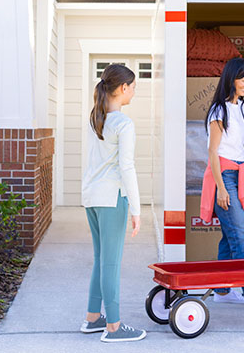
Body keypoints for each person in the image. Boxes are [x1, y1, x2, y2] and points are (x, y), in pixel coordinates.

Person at [79, 64, 146, 342]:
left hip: (92, 197)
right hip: (111, 198)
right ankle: (114, 327)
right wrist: (136, 208)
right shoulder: (123, 123)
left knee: (101, 259)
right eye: (132, 87)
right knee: (111, 263)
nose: (134, 92)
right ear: (122, 88)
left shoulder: (95, 118)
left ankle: (93, 318)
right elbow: (126, 167)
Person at [201, 57, 244, 309]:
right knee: (242, 235)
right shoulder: (219, 110)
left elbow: (241, 148)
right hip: (223, 176)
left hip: (240, 173)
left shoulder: (242, 109)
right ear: (231, 79)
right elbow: (213, 152)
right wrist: (222, 188)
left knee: (229, 237)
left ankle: (223, 291)